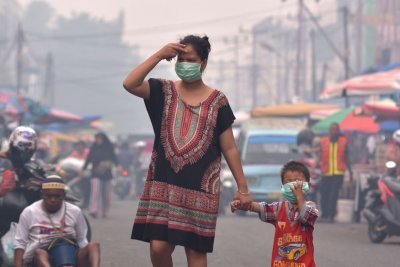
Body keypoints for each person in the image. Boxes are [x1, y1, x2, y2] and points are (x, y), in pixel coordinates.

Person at [123, 34, 251, 267]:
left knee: (195, 252)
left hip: (201, 189)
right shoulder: (162, 90)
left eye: (190, 59)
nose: (184, 64)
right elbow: (129, 83)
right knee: (158, 247)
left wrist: (243, 189)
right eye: (180, 59)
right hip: (163, 184)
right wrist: (159, 55)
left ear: (203, 63)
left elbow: (230, 147)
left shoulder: (218, 101)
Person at [231, 161, 319, 267]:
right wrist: (242, 204)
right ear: (283, 187)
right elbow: (260, 207)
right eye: (288, 182)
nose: (293, 186)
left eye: (297, 181)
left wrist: (300, 196)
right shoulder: (279, 208)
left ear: (308, 185)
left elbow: (306, 216)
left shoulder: (310, 206)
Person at [14, 175, 100, 267]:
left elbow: (82, 239)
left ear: (64, 195)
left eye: (57, 196)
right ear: (42, 194)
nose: (53, 200)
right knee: (40, 253)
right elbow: (20, 243)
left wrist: (84, 256)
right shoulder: (30, 212)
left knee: (94, 246)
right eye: (49, 196)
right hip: (43, 255)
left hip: (70, 252)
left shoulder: (75, 211)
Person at [318, 122, 352, 223]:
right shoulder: (323, 141)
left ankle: (331, 216)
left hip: (338, 173)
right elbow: (320, 155)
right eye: (332, 129)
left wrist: (350, 171)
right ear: (329, 131)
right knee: (324, 194)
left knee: (334, 194)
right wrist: (313, 167)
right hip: (326, 172)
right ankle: (324, 214)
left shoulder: (343, 142)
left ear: (338, 131)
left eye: (335, 129)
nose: (333, 131)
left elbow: (347, 158)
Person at [80, 132, 117, 218]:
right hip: (95, 173)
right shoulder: (93, 148)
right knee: (95, 192)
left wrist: (112, 164)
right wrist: (83, 169)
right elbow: (88, 159)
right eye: (96, 138)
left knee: (106, 194)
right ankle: (94, 210)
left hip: (107, 174)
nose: (98, 140)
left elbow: (114, 158)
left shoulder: (109, 148)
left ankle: (105, 211)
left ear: (104, 139)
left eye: (99, 138)